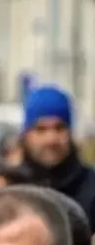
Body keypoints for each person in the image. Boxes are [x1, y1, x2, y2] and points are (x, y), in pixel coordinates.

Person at [19, 84, 95, 221]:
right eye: (41, 129)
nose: (51, 139)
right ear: (26, 135)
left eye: (59, 128)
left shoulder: (91, 187)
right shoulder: (12, 189)